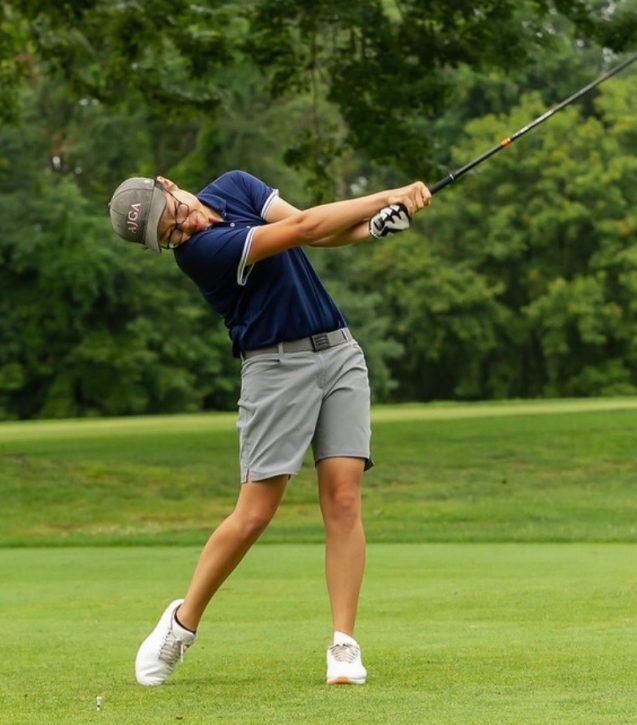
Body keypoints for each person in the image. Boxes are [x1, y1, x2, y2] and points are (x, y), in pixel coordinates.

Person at [108, 170, 431, 686]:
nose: (184, 229)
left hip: (340, 352)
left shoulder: (236, 187)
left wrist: (371, 227)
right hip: (275, 369)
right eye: (169, 237)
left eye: (177, 216)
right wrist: (387, 194)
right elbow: (303, 227)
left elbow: (320, 233)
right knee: (255, 513)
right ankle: (182, 623)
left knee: (344, 500)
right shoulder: (203, 253)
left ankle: (343, 646)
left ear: (169, 185)